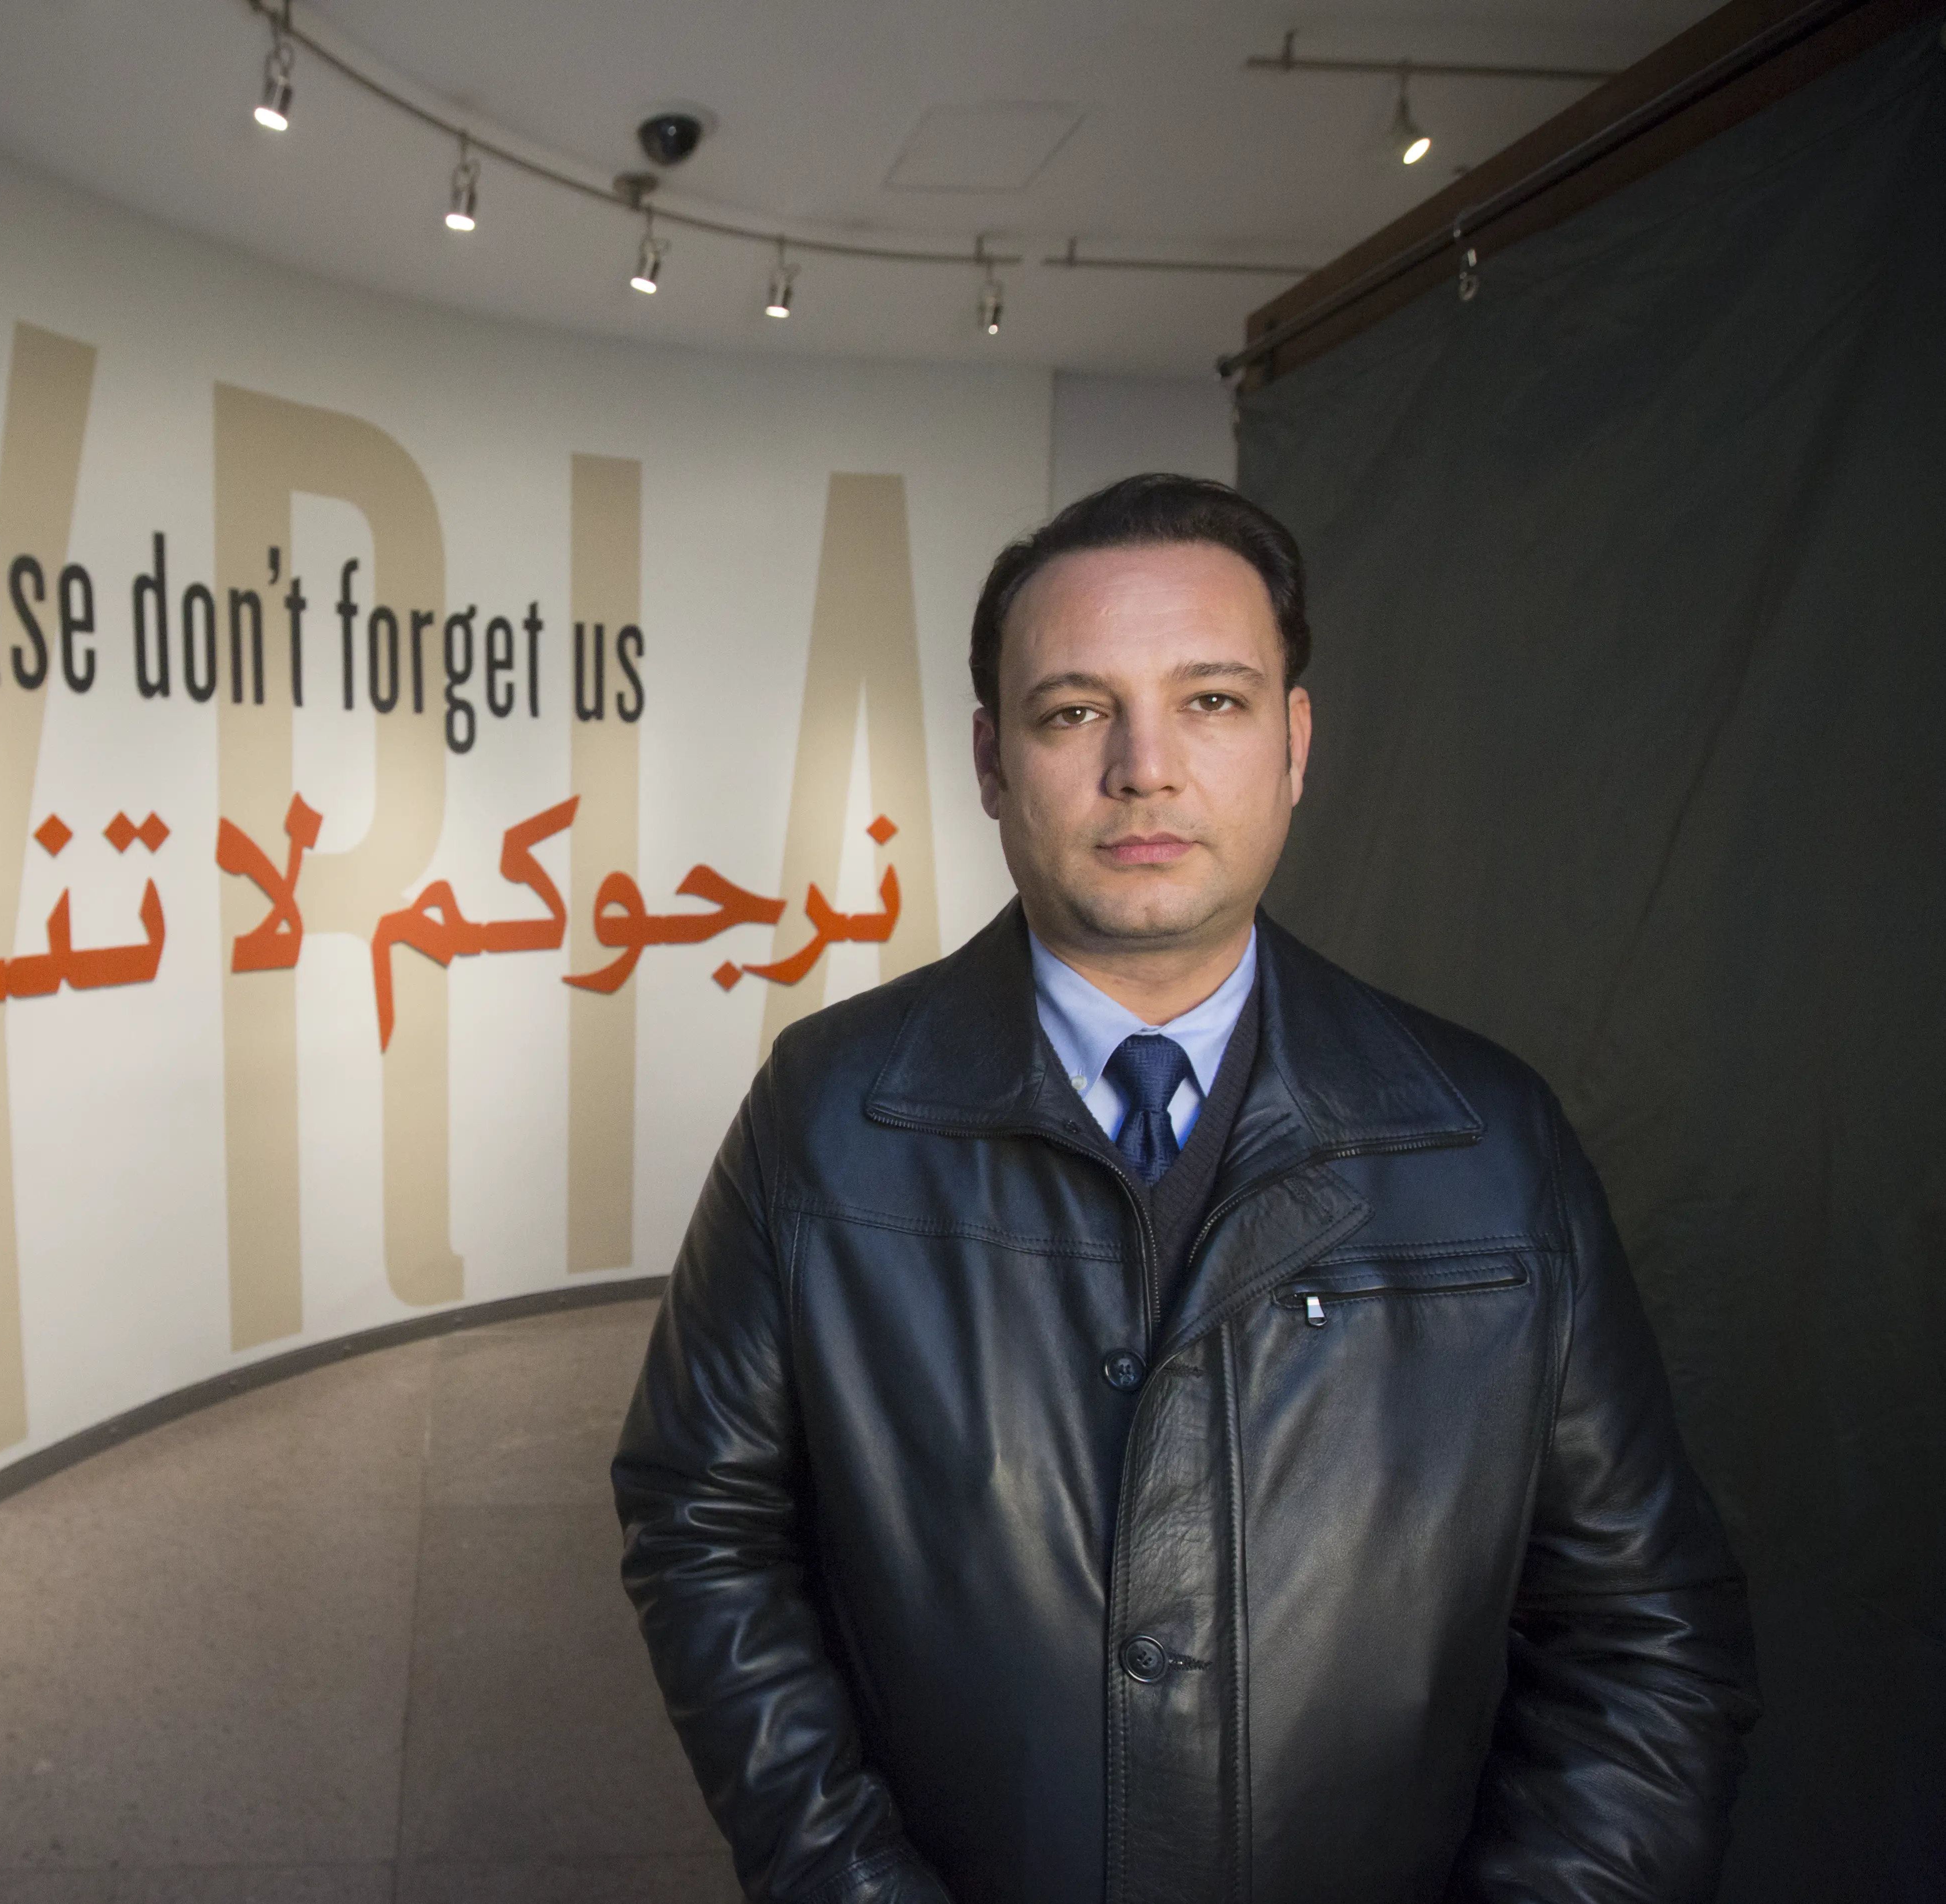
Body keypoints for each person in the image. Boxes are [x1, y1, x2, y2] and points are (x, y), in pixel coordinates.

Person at [612, 475, 1758, 1904]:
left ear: (1295, 742)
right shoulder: (827, 1115)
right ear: (990, 760)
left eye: (1211, 701)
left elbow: (1643, 1631)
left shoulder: (1490, 1140)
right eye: (1074, 709)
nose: (1143, 766)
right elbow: (701, 1523)